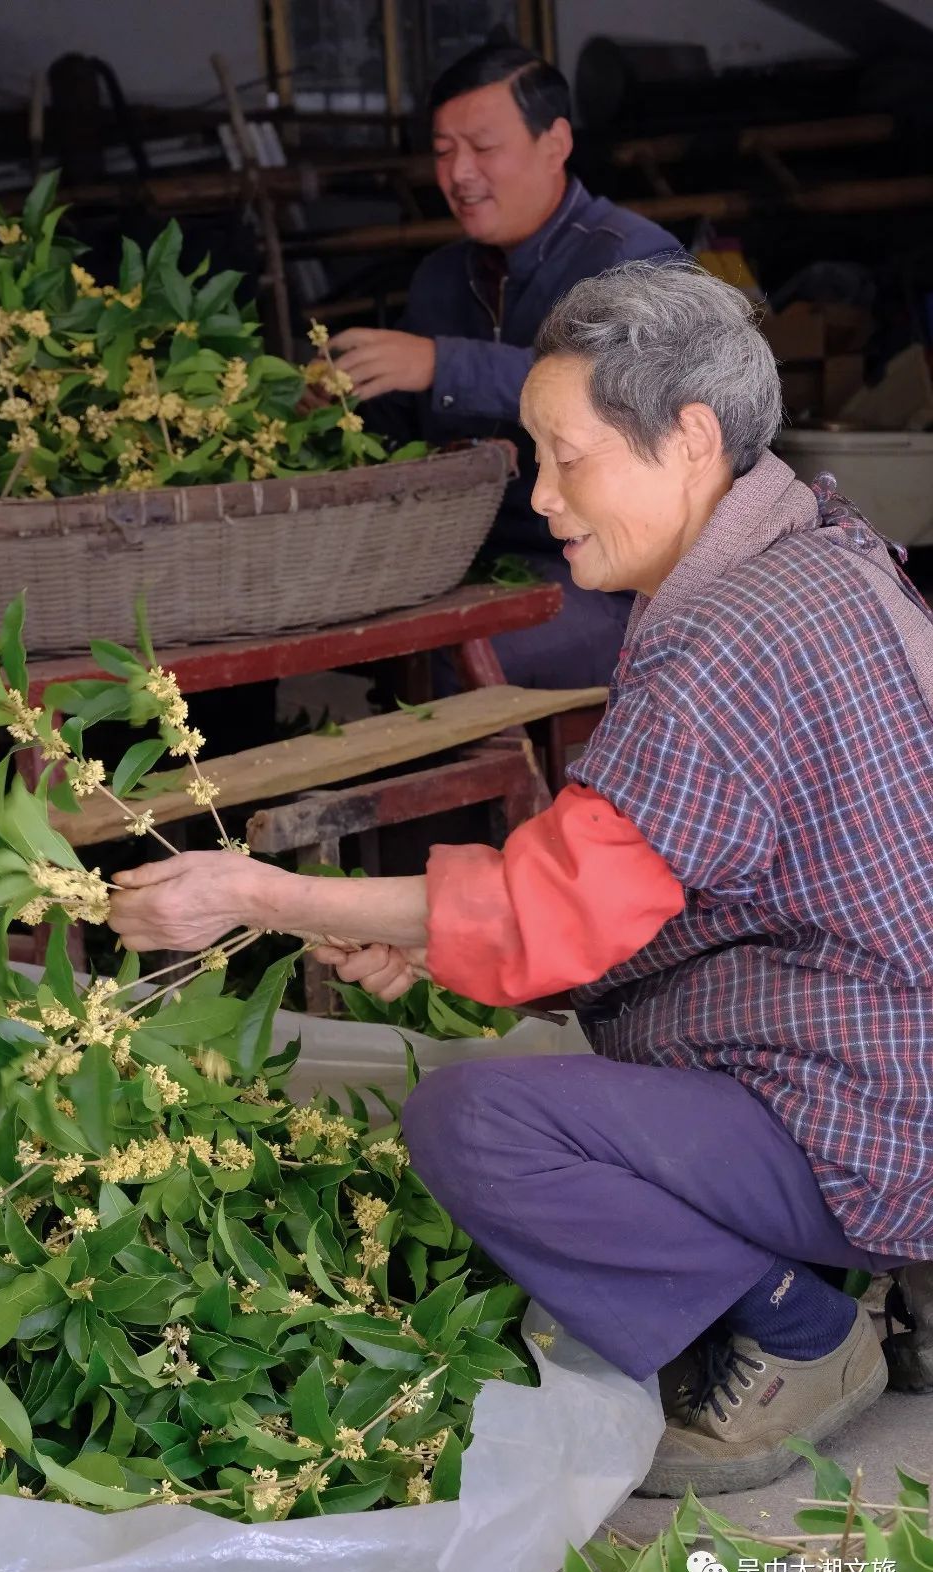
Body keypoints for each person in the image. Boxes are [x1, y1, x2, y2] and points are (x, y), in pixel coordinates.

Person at [108, 260, 933, 1497]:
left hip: (875, 1112)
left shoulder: (732, 639)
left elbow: (551, 910)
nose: (542, 496)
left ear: (691, 437)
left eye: (567, 456)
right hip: (895, 1065)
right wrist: (443, 933)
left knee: (478, 1124)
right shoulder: (822, 551)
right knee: (568, 1044)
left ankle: (801, 1331)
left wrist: (259, 895)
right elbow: (641, 880)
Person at [327, 42, 681, 690]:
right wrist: (343, 401)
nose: (459, 173)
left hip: (621, 587)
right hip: (473, 562)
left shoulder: (638, 257)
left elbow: (626, 395)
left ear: (556, 143)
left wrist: (443, 364)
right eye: (442, 151)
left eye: (483, 147)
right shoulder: (441, 277)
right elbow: (402, 430)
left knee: (442, 657)